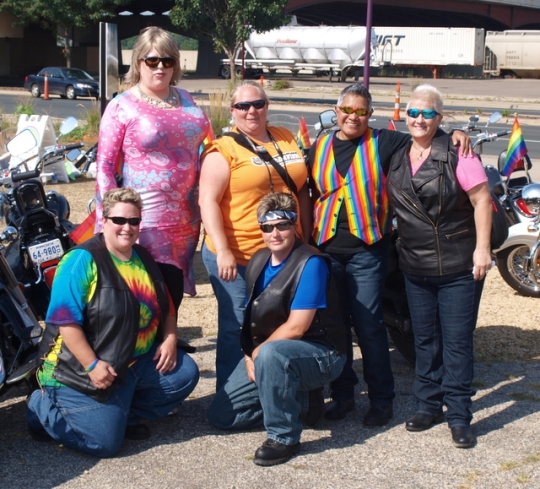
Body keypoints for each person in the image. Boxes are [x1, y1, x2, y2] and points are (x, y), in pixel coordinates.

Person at [307, 82, 471, 426]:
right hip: (326, 252)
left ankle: (382, 400)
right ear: (337, 112)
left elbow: (425, 133)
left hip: (367, 250)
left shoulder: (385, 141)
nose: (354, 117)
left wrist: (456, 131)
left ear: (371, 114)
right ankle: (343, 395)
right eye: (348, 110)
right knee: (334, 326)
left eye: (362, 111)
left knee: (369, 326)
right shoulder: (317, 146)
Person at [27, 188, 200, 457]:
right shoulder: (80, 261)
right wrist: (92, 365)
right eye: (119, 220)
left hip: (131, 364)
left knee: (184, 374)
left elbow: (167, 308)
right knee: (104, 444)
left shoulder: (142, 256)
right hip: (78, 371)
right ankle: (41, 405)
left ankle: (121, 410)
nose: (127, 228)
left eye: (134, 221)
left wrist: (169, 338)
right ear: (103, 220)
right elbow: (65, 323)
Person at [386, 84, 491, 449]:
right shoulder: (398, 152)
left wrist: (482, 250)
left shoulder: (458, 153)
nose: (418, 119)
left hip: (458, 264)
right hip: (415, 265)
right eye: (413, 113)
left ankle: (459, 415)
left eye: (427, 113)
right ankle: (428, 405)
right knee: (425, 339)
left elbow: (481, 200)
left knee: (457, 343)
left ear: (440, 118)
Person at [207, 192, 346, 466]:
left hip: (321, 353)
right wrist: (249, 355)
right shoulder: (258, 260)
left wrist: (257, 353)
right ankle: (300, 401)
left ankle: (283, 436)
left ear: (295, 225)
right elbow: (250, 319)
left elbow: (297, 327)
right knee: (222, 416)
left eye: (283, 224)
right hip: (271, 353)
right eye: (267, 227)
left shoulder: (311, 262)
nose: (275, 233)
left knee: (272, 354)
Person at [199, 81, 311, 390]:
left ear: (267, 106)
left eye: (258, 104)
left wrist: (307, 238)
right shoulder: (223, 149)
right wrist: (222, 250)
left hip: (282, 252)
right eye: (243, 106)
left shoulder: (285, 137)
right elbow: (207, 200)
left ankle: (271, 388)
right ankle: (231, 396)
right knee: (238, 325)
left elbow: (300, 189)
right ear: (232, 111)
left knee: (275, 322)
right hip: (238, 255)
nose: (252, 111)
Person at [96, 26, 210, 311]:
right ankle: (147, 349)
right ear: (138, 63)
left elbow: (203, 147)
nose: (160, 67)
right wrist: (109, 220)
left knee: (173, 293)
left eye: (168, 61)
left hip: (186, 218)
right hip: (146, 220)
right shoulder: (122, 106)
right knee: (147, 295)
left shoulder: (186, 99)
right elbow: (105, 168)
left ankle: (168, 344)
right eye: (152, 60)